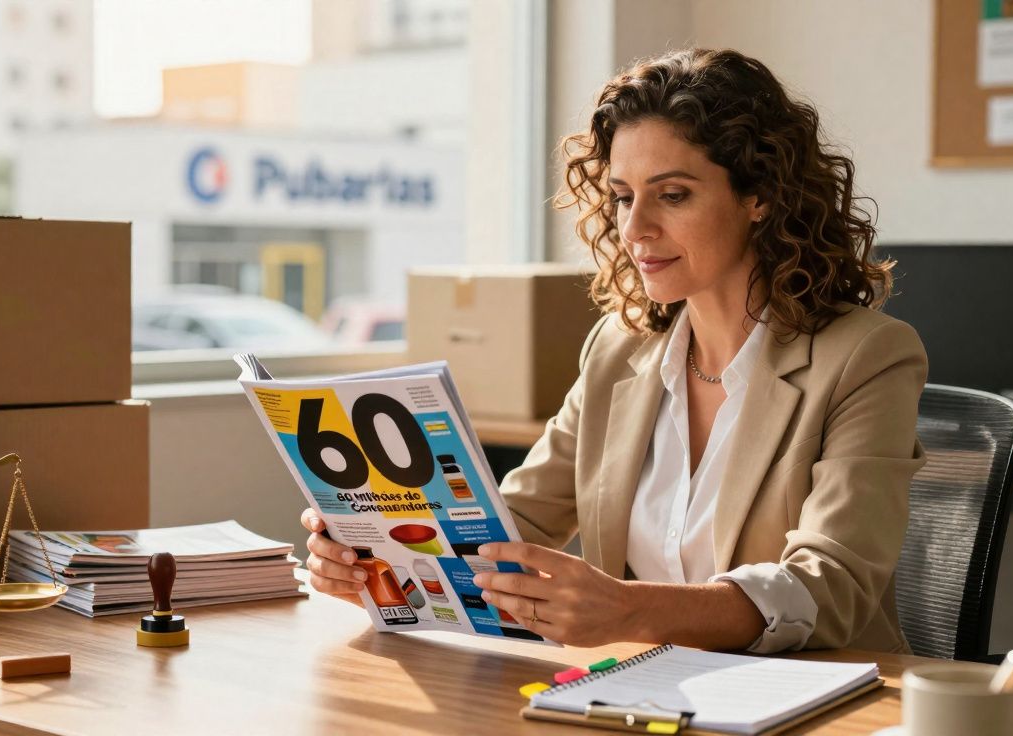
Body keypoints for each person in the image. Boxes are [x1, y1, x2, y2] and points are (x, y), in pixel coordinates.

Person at [300, 48, 927, 654]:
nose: (634, 228)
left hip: (809, 703)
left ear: (757, 195)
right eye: (624, 196)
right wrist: (386, 563)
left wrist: (628, 608)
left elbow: (832, 586)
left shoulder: (867, 356)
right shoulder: (617, 350)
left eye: (673, 195)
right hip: (638, 691)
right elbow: (514, 525)